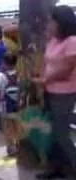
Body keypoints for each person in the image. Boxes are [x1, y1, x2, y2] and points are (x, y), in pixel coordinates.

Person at [32, 5, 76, 179]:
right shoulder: (53, 41)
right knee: (51, 132)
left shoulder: (72, 41)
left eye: (52, 20)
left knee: (61, 134)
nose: (49, 24)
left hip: (65, 93)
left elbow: (67, 68)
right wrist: (41, 77)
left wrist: (44, 80)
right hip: (50, 91)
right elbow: (48, 64)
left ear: (61, 21)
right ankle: (56, 169)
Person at [0, 53, 20, 156]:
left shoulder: (0, 76)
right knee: (17, 126)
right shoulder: (19, 74)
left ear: (4, 63)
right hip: (17, 106)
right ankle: (18, 146)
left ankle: (10, 148)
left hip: (4, 107)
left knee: (7, 127)